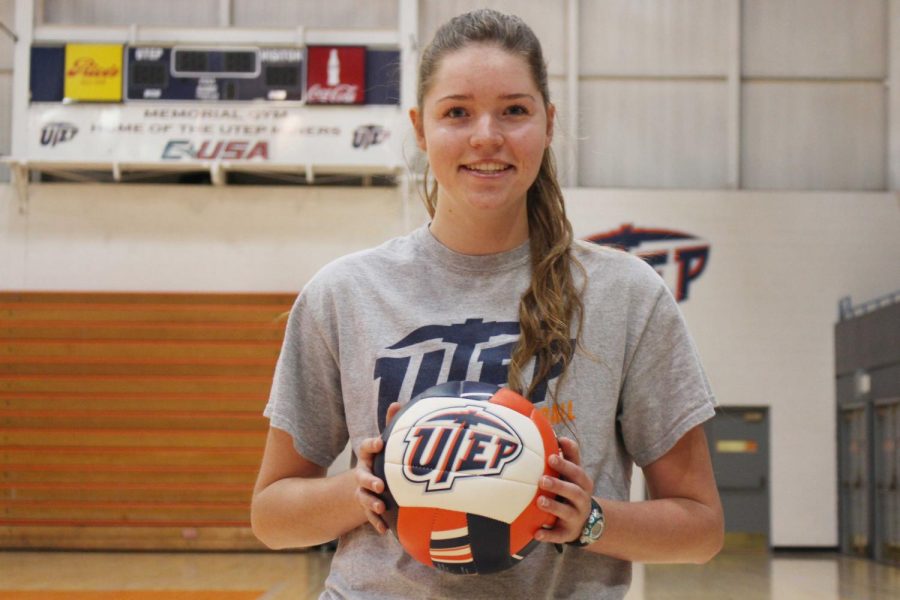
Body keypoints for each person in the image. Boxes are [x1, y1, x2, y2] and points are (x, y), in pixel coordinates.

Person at [251, 8, 723, 599]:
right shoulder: (345, 293)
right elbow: (271, 515)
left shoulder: (625, 294)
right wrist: (362, 488)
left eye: (514, 111)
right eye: (457, 112)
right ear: (420, 129)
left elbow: (700, 528)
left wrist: (587, 519)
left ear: (548, 123)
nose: (486, 136)